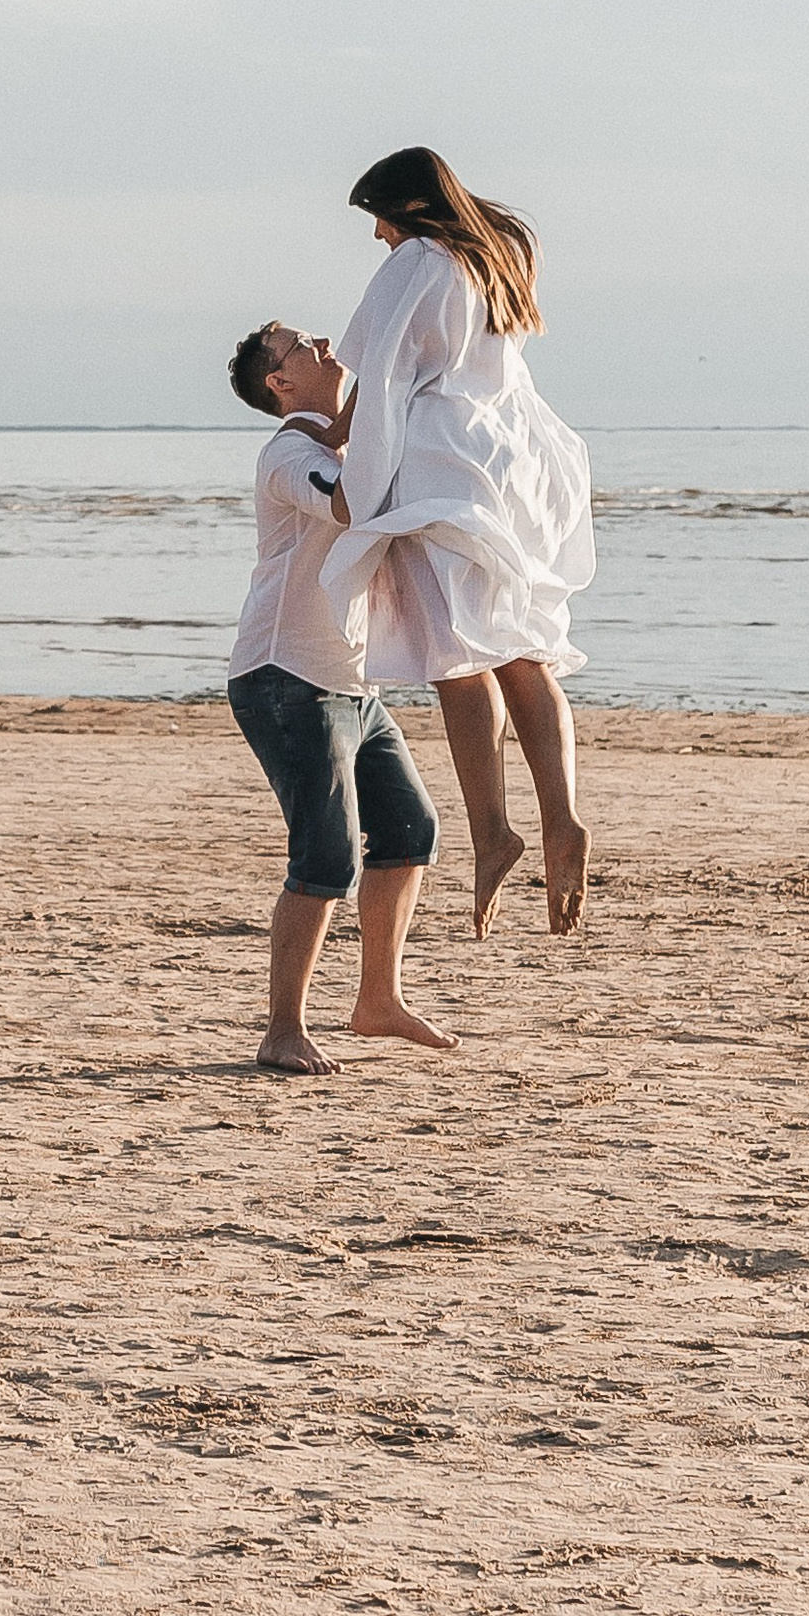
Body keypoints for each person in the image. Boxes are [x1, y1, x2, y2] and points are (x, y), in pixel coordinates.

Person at [319, 144, 595, 934]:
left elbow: (382, 374)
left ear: (407, 207)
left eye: (378, 217)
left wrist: (340, 457)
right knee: (520, 649)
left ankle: (492, 832)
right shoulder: (495, 256)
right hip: (510, 464)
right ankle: (562, 815)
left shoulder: (417, 261)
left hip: (443, 464)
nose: (377, 235)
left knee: (456, 660)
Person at [223, 318, 455, 1074]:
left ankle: (378, 1000)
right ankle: (282, 1029)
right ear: (280, 383)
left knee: (410, 830)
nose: (324, 345)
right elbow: (348, 506)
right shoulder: (289, 457)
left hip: (352, 682)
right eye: (302, 346)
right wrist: (370, 396)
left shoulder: (339, 448)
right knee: (324, 856)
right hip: (285, 678)